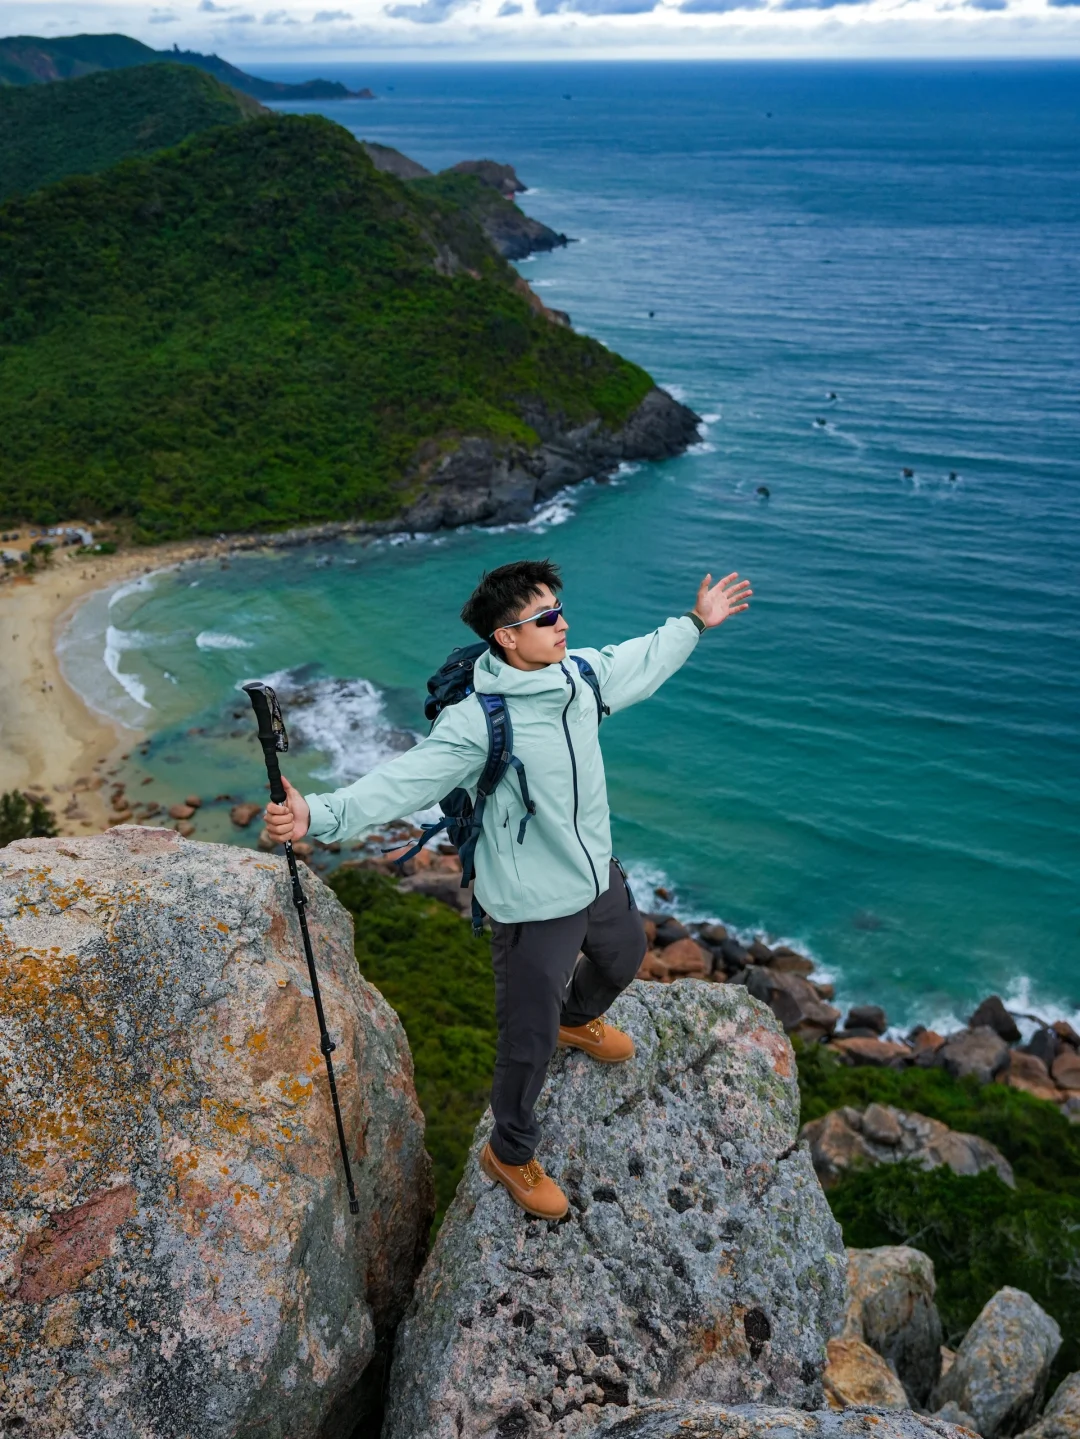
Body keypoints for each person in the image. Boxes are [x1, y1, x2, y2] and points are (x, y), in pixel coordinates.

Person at [263, 559, 751, 1219]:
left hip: (594, 875)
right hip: (529, 906)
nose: (563, 623)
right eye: (546, 617)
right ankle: (510, 1153)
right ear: (506, 637)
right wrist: (315, 815)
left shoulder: (576, 678)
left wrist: (695, 622)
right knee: (528, 1042)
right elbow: (402, 781)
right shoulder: (476, 724)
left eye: (560, 607)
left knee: (626, 954)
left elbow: (638, 659)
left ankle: (577, 1018)